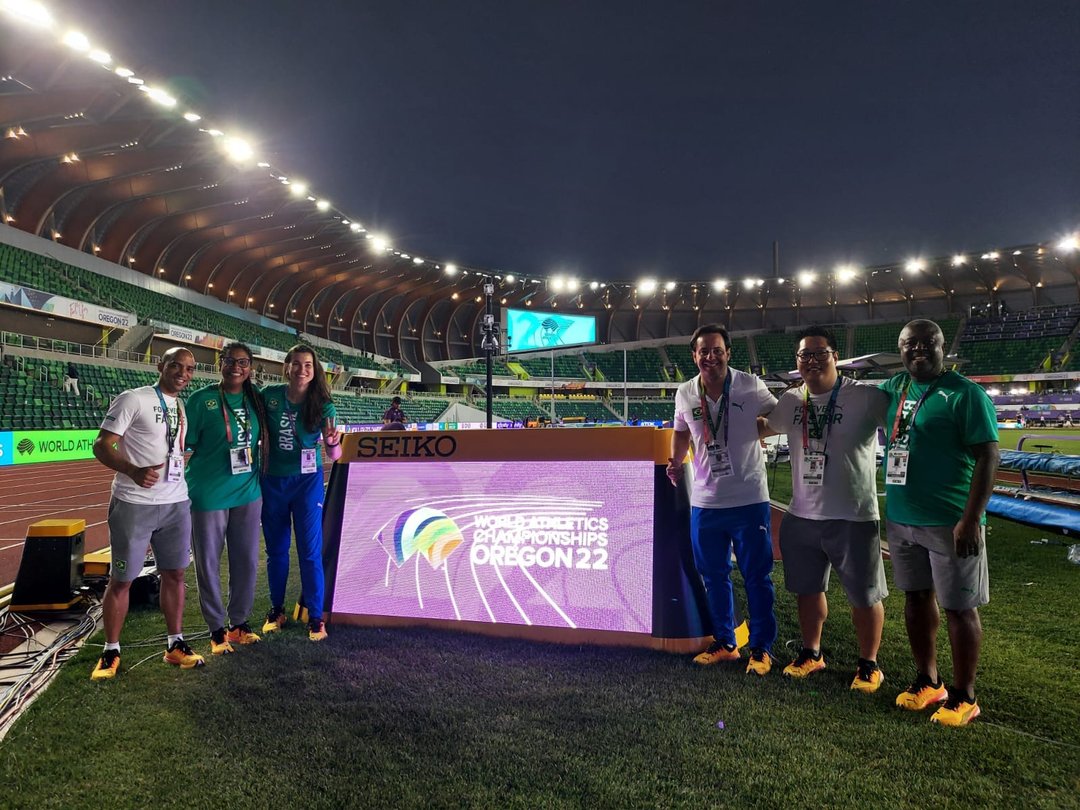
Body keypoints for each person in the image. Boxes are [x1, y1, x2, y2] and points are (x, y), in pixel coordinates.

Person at [881, 319, 999, 726]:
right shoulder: (894, 388)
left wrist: (972, 519)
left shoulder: (965, 394)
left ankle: (965, 695)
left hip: (950, 520)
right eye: (909, 343)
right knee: (915, 598)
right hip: (901, 518)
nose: (918, 349)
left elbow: (988, 456)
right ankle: (929, 681)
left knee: (959, 607)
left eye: (926, 343)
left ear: (942, 347)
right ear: (900, 349)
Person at [760, 326, 890, 692]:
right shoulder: (790, 400)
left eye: (820, 353)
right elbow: (763, 428)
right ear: (797, 361)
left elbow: (902, 428)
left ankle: (869, 664)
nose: (812, 361)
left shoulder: (865, 397)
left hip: (854, 515)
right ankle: (811, 653)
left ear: (835, 357)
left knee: (864, 595)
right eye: (805, 355)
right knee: (807, 590)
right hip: (802, 514)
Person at [667, 324, 778, 676]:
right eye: (704, 351)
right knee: (713, 576)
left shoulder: (749, 385)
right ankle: (725, 643)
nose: (710, 357)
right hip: (705, 501)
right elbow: (681, 431)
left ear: (728, 353)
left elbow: (777, 419)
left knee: (756, 576)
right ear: (694, 356)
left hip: (749, 498)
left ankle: (761, 648)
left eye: (717, 350)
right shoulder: (685, 392)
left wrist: (753, 431)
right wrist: (675, 461)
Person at [90, 347, 204, 679]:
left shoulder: (180, 406)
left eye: (190, 368)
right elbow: (102, 444)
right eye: (176, 365)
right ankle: (111, 650)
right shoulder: (134, 399)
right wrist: (132, 470)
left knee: (176, 574)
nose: (183, 373)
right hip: (134, 503)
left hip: (176, 503)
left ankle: (175, 644)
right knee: (122, 580)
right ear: (160, 366)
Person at [185, 343, 268, 655]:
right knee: (208, 563)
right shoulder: (201, 399)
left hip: (248, 491)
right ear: (220, 363)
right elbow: (184, 443)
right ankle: (216, 629)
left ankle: (239, 624)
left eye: (243, 362)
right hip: (208, 492)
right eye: (230, 361)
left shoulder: (256, 398)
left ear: (251, 367)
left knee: (246, 560)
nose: (236, 367)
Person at [260, 345, 342, 641]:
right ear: (287, 367)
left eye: (307, 364)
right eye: (296, 363)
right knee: (276, 550)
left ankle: (316, 618)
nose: (302, 369)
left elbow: (335, 455)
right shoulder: (268, 395)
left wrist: (332, 441)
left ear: (314, 369)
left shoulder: (323, 405)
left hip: (307, 484)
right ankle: (276, 610)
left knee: (309, 551)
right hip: (273, 481)